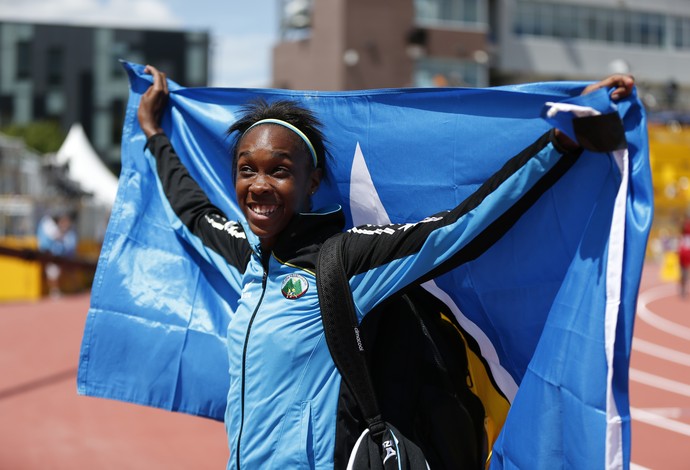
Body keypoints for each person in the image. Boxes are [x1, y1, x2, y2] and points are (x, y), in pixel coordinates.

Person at [137, 65, 634, 469]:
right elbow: (192, 210)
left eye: (280, 170)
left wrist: (559, 143)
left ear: (313, 184)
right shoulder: (247, 256)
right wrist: (156, 134)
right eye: (247, 168)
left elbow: (459, 227)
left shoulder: (344, 261)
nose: (260, 184)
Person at [37, 212, 77, 297]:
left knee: (57, 273)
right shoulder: (49, 226)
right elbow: (51, 239)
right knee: (52, 272)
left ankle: (59, 290)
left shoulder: (70, 232)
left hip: (62, 256)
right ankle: (54, 291)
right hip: (52, 255)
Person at [678, 219, 690, 298]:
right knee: (684, 275)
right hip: (683, 258)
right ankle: (682, 289)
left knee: (685, 275)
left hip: (686, 258)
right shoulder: (682, 239)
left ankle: (682, 289)